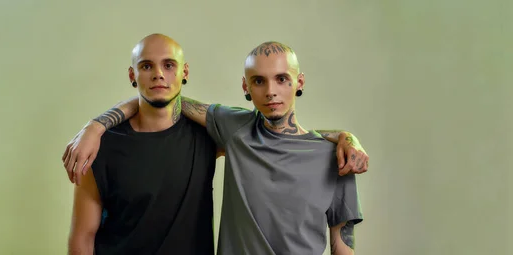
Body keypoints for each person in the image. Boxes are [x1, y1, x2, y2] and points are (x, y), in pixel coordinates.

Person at [64, 34, 369, 255]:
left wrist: (345, 137)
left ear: (298, 82)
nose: (272, 91)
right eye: (259, 81)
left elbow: (343, 248)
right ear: (246, 87)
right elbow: (162, 97)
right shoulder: (235, 131)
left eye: (282, 79)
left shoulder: (338, 159)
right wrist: (97, 125)